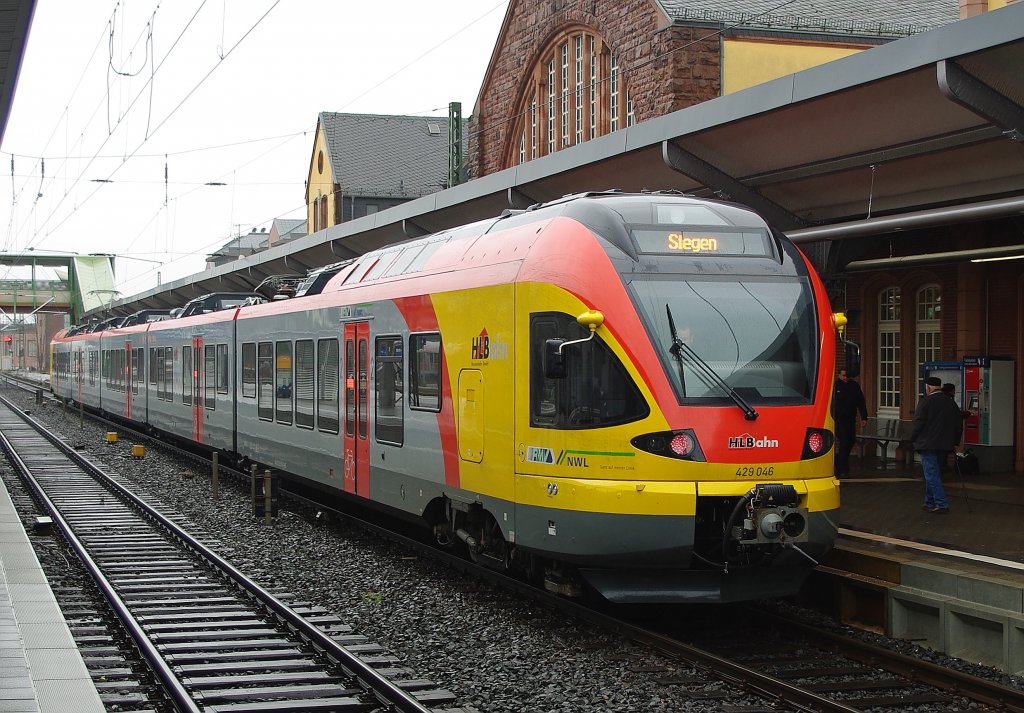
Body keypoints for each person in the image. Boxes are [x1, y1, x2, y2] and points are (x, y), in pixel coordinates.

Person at [912, 376, 964, 514]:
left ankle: (941, 504)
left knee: (931, 474)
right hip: (945, 445)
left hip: (927, 444)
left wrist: (912, 439)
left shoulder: (925, 402)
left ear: (928, 387)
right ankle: (929, 502)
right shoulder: (950, 403)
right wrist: (954, 441)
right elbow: (958, 424)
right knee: (934, 473)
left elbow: (918, 423)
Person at [833, 368, 868, 478]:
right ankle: (843, 469)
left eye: (846, 376)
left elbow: (860, 401)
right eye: (843, 376)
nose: (845, 378)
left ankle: (839, 460)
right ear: (839, 375)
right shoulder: (835, 386)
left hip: (850, 419)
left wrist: (864, 417)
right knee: (844, 440)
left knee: (851, 441)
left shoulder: (854, 386)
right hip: (838, 419)